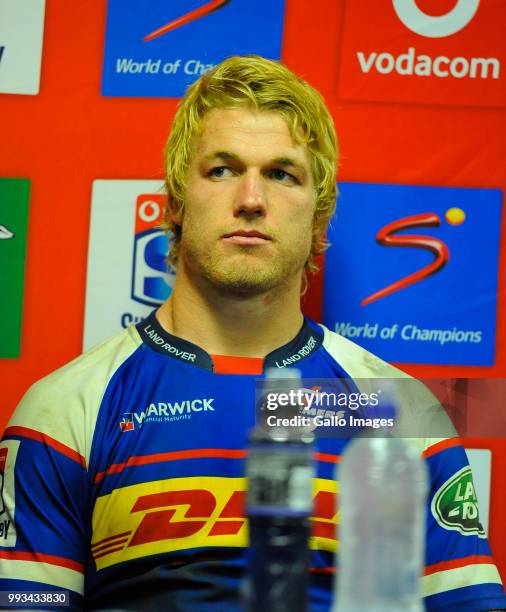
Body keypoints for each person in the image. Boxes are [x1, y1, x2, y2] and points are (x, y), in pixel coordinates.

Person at [0, 55, 504, 612]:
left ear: (320, 216)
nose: (250, 199)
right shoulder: (66, 410)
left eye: (282, 174)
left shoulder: (402, 415)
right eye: (221, 169)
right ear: (174, 201)